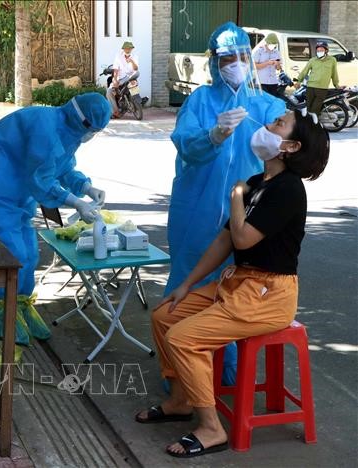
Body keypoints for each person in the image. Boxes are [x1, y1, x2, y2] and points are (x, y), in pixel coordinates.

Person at [135, 108, 330, 458]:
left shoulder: (287, 190)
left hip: (269, 295)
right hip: (239, 284)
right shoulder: (257, 182)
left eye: (278, 123)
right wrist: (186, 284)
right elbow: (224, 241)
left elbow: (242, 239)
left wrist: (236, 196)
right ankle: (180, 400)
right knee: (165, 315)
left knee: (183, 338)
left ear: (290, 146)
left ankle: (211, 429)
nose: (267, 125)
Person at [164, 22, 286, 386]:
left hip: (245, 211)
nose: (235, 64)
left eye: (241, 57)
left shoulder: (268, 105)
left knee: (233, 292)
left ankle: (227, 373)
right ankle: (180, 376)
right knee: (188, 283)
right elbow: (185, 144)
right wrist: (213, 135)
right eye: (226, 58)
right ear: (214, 62)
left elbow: (286, 152)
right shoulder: (200, 101)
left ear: (250, 57)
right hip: (195, 209)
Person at [0, 92, 111, 345]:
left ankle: (19, 305)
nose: (92, 135)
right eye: (94, 130)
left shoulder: (68, 131)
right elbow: (41, 180)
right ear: (83, 121)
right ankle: (2, 311)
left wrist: (87, 187)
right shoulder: (45, 128)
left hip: (18, 193)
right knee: (12, 254)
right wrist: (77, 203)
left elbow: (62, 168)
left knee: (30, 254)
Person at [296, 41, 342, 114]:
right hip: (310, 87)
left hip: (322, 88)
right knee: (308, 107)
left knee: (315, 109)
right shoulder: (312, 60)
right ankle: (309, 120)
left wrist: (336, 84)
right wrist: (299, 81)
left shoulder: (332, 60)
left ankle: (314, 120)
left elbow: (334, 73)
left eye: (321, 50)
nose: (319, 52)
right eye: (318, 50)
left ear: (326, 51)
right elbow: (305, 71)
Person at [106, 41, 139, 118]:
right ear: (123, 49)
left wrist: (132, 61)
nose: (128, 50)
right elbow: (116, 69)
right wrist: (115, 80)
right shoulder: (118, 56)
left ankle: (138, 101)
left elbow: (136, 68)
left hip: (131, 77)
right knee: (109, 91)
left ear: (132, 49)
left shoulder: (135, 56)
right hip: (121, 78)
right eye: (126, 48)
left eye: (129, 48)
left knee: (134, 83)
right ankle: (115, 111)